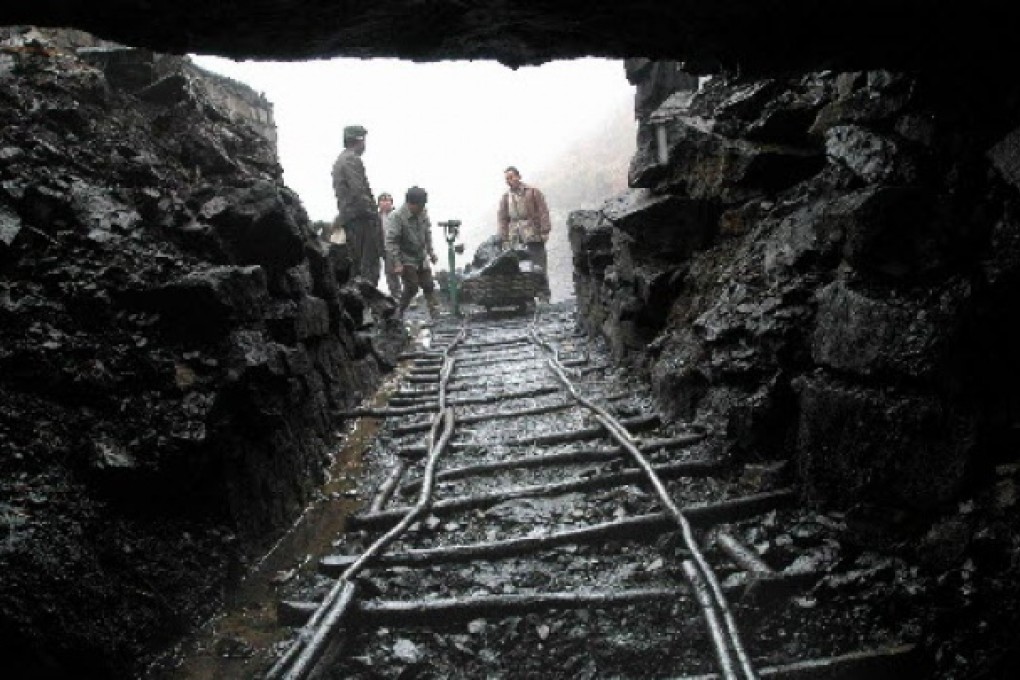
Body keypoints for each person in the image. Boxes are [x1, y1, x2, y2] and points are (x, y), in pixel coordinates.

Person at [331, 124, 381, 281]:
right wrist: (373, 214)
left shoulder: (341, 160)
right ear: (359, 141)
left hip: (351, 217)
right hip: (360, 218)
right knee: (368, 265)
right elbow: (359, 191)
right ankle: (369, 302)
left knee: (357, 263)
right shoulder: (351, 159)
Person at [496, 166, 552, 301]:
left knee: (538, 265)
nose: (509, 181)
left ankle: (544, 296)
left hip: (533, 233)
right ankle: (527, 298)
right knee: (519, 268)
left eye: (511, 177)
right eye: (507, 179)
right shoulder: (505, 198)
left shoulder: (532, 192)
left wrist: (544, 231)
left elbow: (543, 212)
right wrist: (504, 238)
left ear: (518, 176)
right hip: (515, 237)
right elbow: (502, 219)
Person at [385, 186, 440, 320]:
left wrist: (431, 252)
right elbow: (391, 242)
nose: (422, 208)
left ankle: (435, 313)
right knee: (412, 286)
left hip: (420, 255)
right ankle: (398, 312)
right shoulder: (396, 217)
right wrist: (397, 263)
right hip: (405, 256)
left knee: (428, 284)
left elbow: (427, 233)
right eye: (420, 205)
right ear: (411, 204)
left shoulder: (422, 213)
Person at [377, 192, 402, 299]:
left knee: (403, 271)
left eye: (388, 200)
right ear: (379, 204)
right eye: (382, 200)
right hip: (384, 247)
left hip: (398, 246)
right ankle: (395, 295)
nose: (385, 203)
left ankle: (408, 296)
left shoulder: (397, 215)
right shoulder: (376, 217)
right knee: (389, 272)